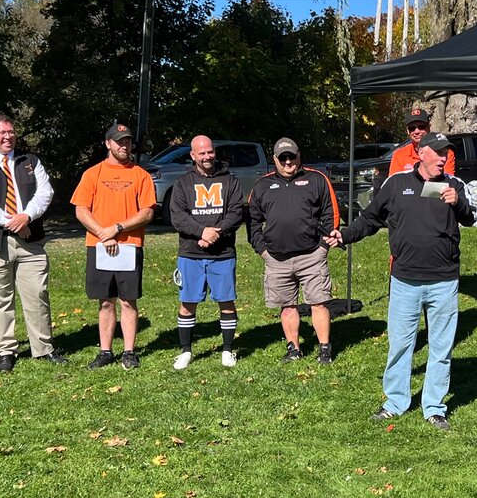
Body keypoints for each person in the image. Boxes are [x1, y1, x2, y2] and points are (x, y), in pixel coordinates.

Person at [326, 132, 475, 430]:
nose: (444, 158)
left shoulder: (453, 186)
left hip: (443, 280)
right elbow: (369, 219)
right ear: (421, 153)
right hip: (405, 280)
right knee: (400, 345)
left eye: (446, 153)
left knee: (441, 348)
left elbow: (470, 219)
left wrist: (457, 204)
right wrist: (345, 235)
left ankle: (434, 406)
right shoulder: (397, 184)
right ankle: (395, 402)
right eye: (438, 153)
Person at [0, 113, 67, 372]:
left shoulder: (30, 161)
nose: (8, 137)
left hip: (30, 242)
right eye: (2, 133)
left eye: (11, 132)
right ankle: (5, 351)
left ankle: (43, 349)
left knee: (37, 295)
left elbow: (45, 192)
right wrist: (11, 221)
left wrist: (27, 216)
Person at [71, 122, 156, 370]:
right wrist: (102, 233)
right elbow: (80, 209)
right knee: (105, 301)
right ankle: (105, 351)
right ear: (108, 143)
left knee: (128, 300)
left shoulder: (140, 175)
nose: (124, 146)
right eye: (119, 141)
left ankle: (129, 351)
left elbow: (147, 213)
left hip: (129, 245)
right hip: (99, 246)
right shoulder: (92, 174)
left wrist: (117, 229)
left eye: (127, 141)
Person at [248, 137, 340, 364]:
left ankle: (325, 349)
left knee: (318, 302)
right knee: (287, 306)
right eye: (283, 158)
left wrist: (323, 245)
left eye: (292, 156)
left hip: (312, 255)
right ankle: (294, 349)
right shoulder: (262, 185)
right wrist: (262, 250)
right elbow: (252, 222)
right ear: (275, 160)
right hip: (276, 258)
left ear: (299, 156)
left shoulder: (317, 179)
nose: (288, 162)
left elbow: (331, 214)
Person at [169, 135, 244, 370]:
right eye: (201, 153)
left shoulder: (229, 181)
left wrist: (215, 234)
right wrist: (202, 232)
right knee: (188, 302)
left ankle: (228, 350)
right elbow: (177, 216)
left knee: (226, 301)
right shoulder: (182, 183)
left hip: (222, 254)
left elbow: (236, 213)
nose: (207, 156)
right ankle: (186, 351)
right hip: (190, 253)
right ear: (193, 155)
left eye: (210, 152)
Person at [389, 108, 455, 176]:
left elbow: (447, 181)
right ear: (408, 131)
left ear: (429, 127)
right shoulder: (399, 155)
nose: (417, 131)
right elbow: (394, 184)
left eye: (421, 127)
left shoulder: (445, 153)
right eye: (412, 128)